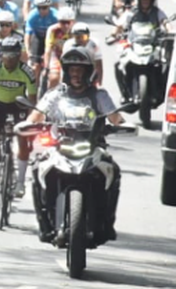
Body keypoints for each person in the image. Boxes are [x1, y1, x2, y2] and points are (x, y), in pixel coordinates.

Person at [21, 47, 125, 242]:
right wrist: (30, 123)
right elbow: (36, 115)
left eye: (80, 70)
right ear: (66, 72)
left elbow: (116, 117)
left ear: (89, 72)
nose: (76, 74)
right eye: (72, 70)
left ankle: (107, 223)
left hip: (92, 147)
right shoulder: (55, 94)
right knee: (36, 168)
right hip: (59, 147)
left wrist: (121, 124)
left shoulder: (99, 95)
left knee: (114, 171)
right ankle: (44, 224)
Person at [0, 37, 36, 203]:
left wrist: (31, 123)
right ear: (1, 55)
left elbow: (32, 101)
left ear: (19, 55)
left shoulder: (28, 71)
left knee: (22, 140)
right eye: (6, 55)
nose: (10, 59)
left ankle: (20, 183)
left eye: (13, 56)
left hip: (18, 104)